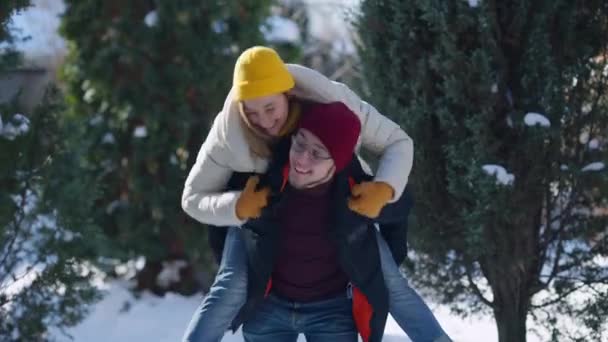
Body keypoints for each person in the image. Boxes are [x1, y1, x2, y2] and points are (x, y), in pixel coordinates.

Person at [181, 46, 450, 342]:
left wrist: (384, 189)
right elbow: (193, 198)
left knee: (389, 280)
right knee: (231, 286)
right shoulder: (227, 136)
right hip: (259, 205)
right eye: (251, 112)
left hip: (340, 202)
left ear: (288, 94)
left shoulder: (334, 103)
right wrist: (236, 206)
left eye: (270, 108)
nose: (264, 121)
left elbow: (397, 142)